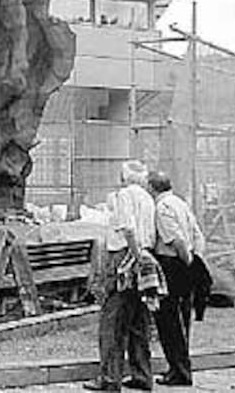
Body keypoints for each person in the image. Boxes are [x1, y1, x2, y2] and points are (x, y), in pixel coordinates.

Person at [84, 160, 157, 392]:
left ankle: (109, 379)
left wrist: (135, 257)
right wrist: (144, 256)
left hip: (125, 257)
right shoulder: (147, 198)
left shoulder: (124, 195)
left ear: (124, 178)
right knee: (139, 320)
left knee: (112, 321)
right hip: (145, 253)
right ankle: (143, 375)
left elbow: (128, 228)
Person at [148, 171, 206, 387]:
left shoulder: (162, 208)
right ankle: (179, 367)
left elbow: (176, 240)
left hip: (172, 265)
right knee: (182, 319)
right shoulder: (180, 203)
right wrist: (196, 260)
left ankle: (179, 371)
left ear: (153, 187)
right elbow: (197, 234)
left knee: (169, 321)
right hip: (185, 264)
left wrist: (187, 261)